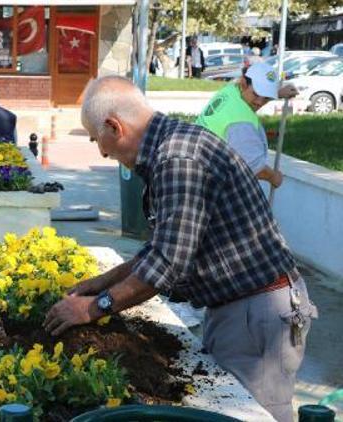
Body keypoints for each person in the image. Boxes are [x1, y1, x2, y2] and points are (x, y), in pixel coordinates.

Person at [43, 76, 317, 422]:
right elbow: (164, 245)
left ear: (115, 126)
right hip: (239, 308)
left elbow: (167, 263)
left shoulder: (178, 158)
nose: (102, 153)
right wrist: (100, 282)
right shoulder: (173, 146)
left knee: (251, 417)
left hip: (257, 313)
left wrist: (94, 308)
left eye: (100, 141)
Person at [195, 62, 298, 188]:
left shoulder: (231, 90)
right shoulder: (241, 124)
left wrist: (278, 93)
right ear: (244, 83)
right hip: (214, 184)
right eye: (256, 94)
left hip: (200, 163)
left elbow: (253, 96)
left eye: (266, 97)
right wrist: (274, 177)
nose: (260, 102)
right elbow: (254, 167)